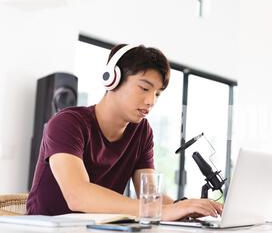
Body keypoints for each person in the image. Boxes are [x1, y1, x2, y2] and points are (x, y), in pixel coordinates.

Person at [26, 44, 223, 220]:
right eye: (144, 88)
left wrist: (186, 207)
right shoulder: (67, 123)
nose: (151, 101)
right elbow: (77, 195)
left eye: (157, 94)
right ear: (112, 80)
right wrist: (160, 211)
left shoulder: (142, 132)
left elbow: (150, 197)